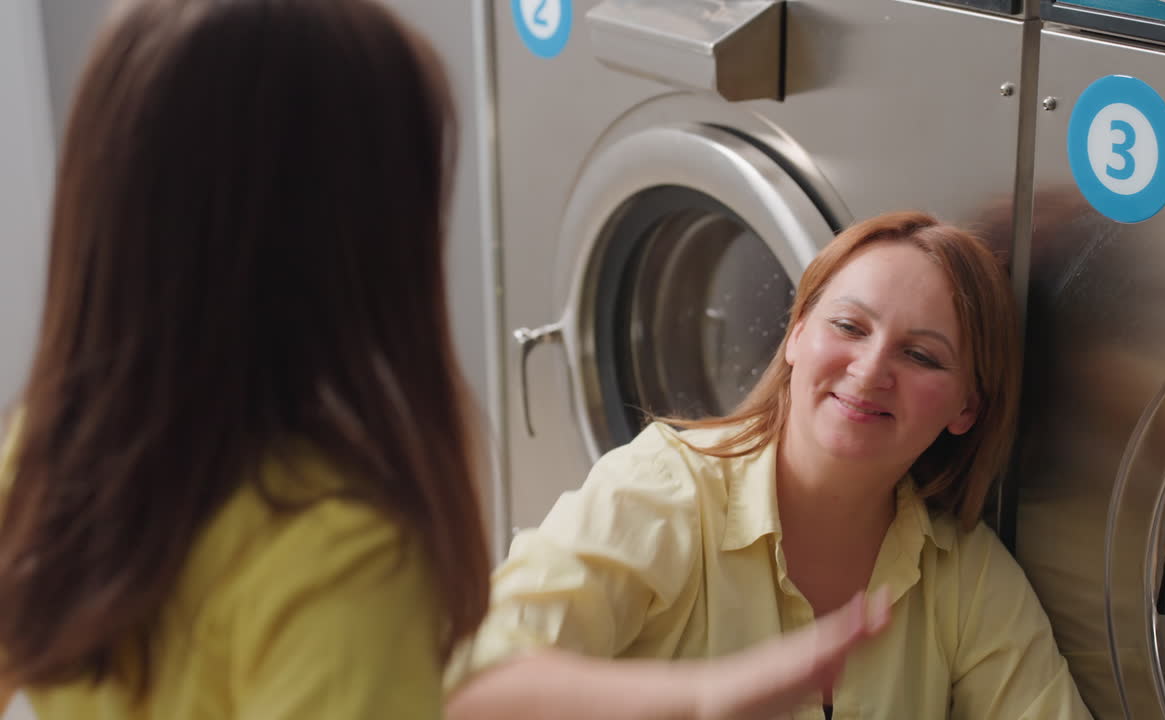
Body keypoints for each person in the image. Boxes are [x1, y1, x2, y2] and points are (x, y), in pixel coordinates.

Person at [0, 1, 889, 718]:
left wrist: (703, 693)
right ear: (363, 240)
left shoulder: (51, 455)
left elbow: (455, 682)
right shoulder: (342, 538)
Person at [446, 211, 1096, 720]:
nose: (870, 372)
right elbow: (471, 692)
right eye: (849, 326)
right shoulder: (660, 496)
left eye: (921, 356)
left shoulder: (965, 575)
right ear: (796, 335)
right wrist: (709, 698)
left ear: (965, 409)